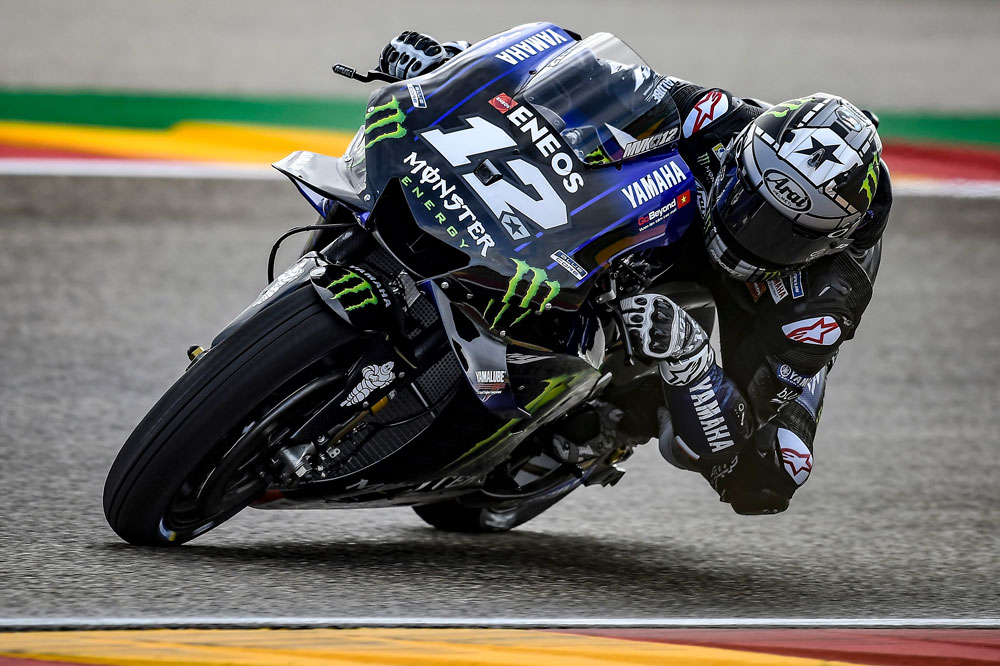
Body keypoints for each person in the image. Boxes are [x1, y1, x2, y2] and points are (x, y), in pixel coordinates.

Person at [375, 31, 893, 515]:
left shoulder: (827, 295)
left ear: (830, 241)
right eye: (747, 200)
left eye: (782, 233)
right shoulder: (723, 121)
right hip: (686, 222)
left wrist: (691, 361)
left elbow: (736, 436)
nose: (749, 231)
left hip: (758, 305)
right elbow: (591, 80)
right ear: (744, 154)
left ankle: (613, 420)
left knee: (769, 474)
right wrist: (456, 61)